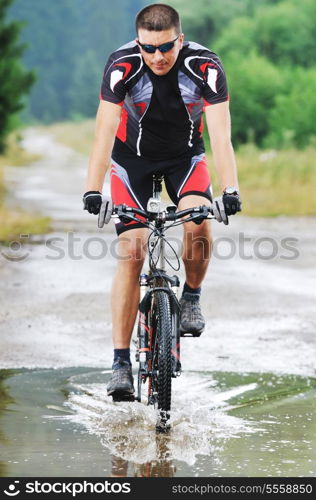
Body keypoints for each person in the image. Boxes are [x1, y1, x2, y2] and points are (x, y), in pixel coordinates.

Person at [83, 4, 241, 400]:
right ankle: (120, 362)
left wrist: (231, 189)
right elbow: (103, 131)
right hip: (130, 163)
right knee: (131, 249)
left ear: (180, 40)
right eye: (149, 48)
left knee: (198, 222)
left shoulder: (204, 67)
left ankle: (190, 298)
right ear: (139, 43)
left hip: (184, 159)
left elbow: (221, 136)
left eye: (166, 47)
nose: (157, 56)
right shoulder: (122, 64)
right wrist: (92, 188)